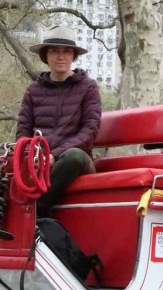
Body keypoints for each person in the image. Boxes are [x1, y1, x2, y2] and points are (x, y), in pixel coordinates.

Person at [16, 27, 102, 217]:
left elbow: (90, 130)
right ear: (46, 56)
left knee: (74, 156)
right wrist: (34, 156)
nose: (60, 56)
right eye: (54, 51)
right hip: (41, 161)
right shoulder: (33, 91)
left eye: (66, 51)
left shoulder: (88, 87)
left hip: (74, 162)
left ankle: (35, 213)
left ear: (73, 56)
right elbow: (23, 131)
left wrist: (54, 155)